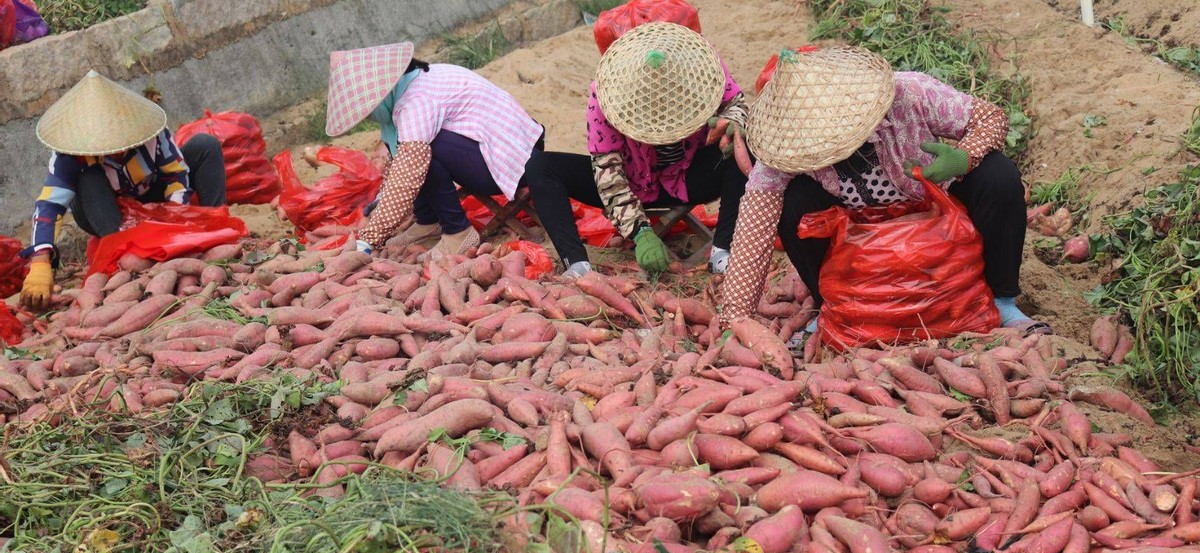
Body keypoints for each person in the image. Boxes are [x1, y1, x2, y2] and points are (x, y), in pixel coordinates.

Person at [719, 46, 1050, 338]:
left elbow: (989, 117)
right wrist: (736, 316)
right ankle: (833, 309)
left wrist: (963, 157)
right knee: (794, 202)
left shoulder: (909, 92)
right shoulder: (787, 143)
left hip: (933, 212)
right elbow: (754, 223)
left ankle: (1001, 302)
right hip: (857, 236)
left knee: (999, 175)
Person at [523, 21, 751, 279]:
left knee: (744, 145)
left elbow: (736, 103)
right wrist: (639, 230)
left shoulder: (704, 67)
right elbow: (607, 171)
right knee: (540, 166)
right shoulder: (606, 94)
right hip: (632, 182)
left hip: (689, 175)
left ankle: (723, 252)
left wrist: (732, 124)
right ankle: (578, 266)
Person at [20, 70, 226, 311]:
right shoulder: (70, 155)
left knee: (205, 145)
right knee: (89, 177)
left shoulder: (151, 133)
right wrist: (41, 262)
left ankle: (217, 231)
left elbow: (177, 175)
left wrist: (172, 218)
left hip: (151, 201)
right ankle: (121, 255)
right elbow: (49, 205)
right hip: (103, 209)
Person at [325, 42, 544, 256]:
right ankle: (428, 221)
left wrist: (370, 237)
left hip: (516, 163)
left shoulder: (416, 100)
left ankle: (458, 231)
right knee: (411, 149)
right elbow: (399, 163)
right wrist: (382, 199)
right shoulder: (416, 83)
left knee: (421, 150)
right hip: (508, 152)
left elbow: (408, 170)